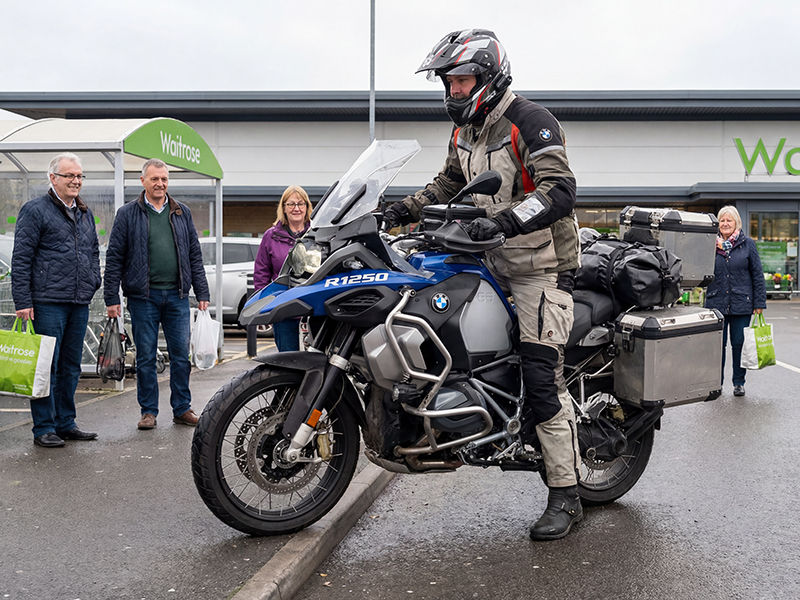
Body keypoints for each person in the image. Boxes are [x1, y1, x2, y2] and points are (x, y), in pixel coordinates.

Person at [383, 29, 582, 540]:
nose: (452, 91)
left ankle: (566, 493)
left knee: (542, 378)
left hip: (540, 266)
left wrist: (506, 222)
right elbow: (449, 183)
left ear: (488, 76)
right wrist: (400, 210)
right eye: (447, 83)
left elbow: (560, 192)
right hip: (489, 261)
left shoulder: (530, 123)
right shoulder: (465, 132)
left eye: (461, 80)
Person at [104, 158, 210, 430]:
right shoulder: (128, 214)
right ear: (143, 181)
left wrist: (202, 292)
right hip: (143, 298)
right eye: (154, 179)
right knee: (146, 357)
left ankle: (182, 408)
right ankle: (149, 412)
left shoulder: (181, 212)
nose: (160, 183)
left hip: (176, 297)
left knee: (180, 357)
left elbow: (194, 256)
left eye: (164, 179)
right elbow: (114, 257)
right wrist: (111, 298)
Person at [11, 153, 101, 448]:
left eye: (79, 176)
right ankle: (44, 427)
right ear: (53, 179)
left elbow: (93, 252)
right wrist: (23, 300)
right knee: (45, 366)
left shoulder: (85, 213)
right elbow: (21, 259)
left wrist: (93, 281)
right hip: (46, 301)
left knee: (71, 365)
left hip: (78, 301)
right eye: (69, 176)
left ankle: (66, 422)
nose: (76, 181)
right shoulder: (34, 210)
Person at [704, 206, 767, 397]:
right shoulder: (709, 245)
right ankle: (717, 384)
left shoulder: (748, 244)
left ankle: (739, 382)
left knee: (739, 344)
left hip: (742, 303)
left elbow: (757, 275)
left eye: (728, 220)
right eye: (722, 220)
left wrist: (759, 303)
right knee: (717, 346)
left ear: (736, 223)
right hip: (717, 303)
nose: (725, 224)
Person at [253, 186, 312, 351]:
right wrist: (265, 305)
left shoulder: (317, 234)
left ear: (307, 207)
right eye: (291, 204)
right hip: (284, 307)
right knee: (288, 359)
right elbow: (261, 273)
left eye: (301, 204)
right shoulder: (271, 236)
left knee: (318, 360)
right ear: (284, 208)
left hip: (315, 307)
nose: (296, 208)